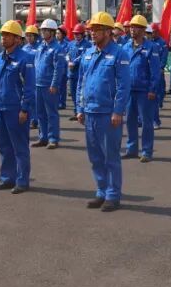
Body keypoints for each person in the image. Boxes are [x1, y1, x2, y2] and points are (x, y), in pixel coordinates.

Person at [77, 11, 131, 211]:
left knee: (111, 157)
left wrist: (118, 111)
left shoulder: (119, 54)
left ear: (108, 32)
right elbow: (81, 82)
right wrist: (80, 108)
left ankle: (113, 195)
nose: (92, 33)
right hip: (90, 112)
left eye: (97, 30)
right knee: (95, 157)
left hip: (108, 114)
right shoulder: (88, 53)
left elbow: (123, 86)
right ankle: (101, 191)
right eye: (91, 29)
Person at [0, 21, 36, 194]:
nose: (4, 38)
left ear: (17, 39)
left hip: (16, 110)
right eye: (3, 35)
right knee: (4, 146)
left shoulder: (25, 59)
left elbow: (29, 87)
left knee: (20, 147)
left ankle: (22, 181)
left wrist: (24, 109)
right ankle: (7, 178)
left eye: (8, 35)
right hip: (0, 107)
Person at [122, 15, 158, 162]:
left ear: (143, 30)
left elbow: (155, 71)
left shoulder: (151, 47)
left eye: (136, 27)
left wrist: (152, 89)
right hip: (129, 90)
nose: (132, 29)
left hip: (144, 91)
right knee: (130, 121)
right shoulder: (125, 47)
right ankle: (131, 149)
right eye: (131, 27)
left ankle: (147, 151)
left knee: (146, 122)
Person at [33, 19, 67, 148]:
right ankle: (43, 137)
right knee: (40, 113)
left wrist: (54, 84)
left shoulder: (57, 49)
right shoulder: (40, 46)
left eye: (45, 30)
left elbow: (59, 69)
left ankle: (53, 138)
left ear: (52, 32)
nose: (42, 32)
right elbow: (36, 64)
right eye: (42, 30)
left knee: (51, 113)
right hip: (38, 84)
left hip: (49, 86)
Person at [147, 23, 169, 128]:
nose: (152, 34)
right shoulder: (147, 43)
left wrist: (161, 68)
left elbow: (164, 56)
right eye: (150, 32)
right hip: (147, 74)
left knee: (155, 96)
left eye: (154, 32)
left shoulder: (162, 43)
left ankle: (156, 121)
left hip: (157, 72)